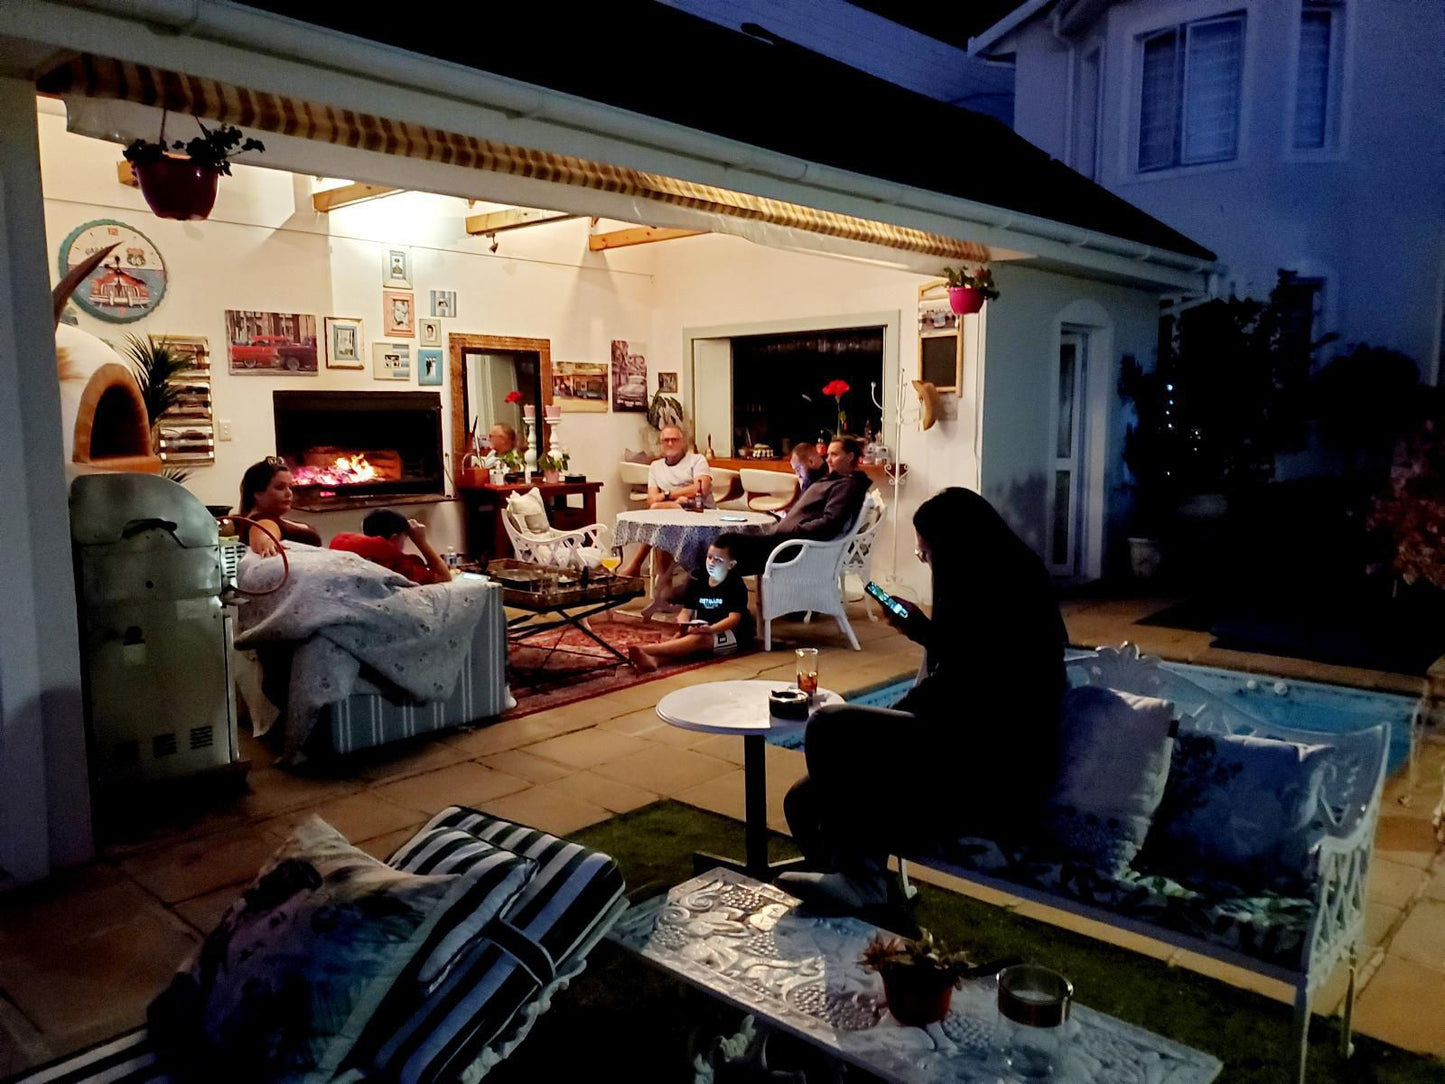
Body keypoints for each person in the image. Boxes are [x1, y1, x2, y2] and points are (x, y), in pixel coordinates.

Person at [776, 487, 1068, 914]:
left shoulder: (1010, 590)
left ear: (955, 548)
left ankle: (863, 879)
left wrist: (923, 637)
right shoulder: (984, 584)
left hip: (992, 766)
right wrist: (923, 636)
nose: (928, 564)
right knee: (803, 801)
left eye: (927, 555)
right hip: (958, 741)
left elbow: (980, 691)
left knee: (829, 727)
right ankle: (865, 907)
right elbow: (958, 670)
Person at [720, 436, 873, 574]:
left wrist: (794, 529)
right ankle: (719, 595)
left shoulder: (847, 485)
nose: (828, 460)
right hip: (783, 541)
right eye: (828, 455)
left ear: (850, 457)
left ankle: (720, 597)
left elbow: (830, 523)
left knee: (726, 547)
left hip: (792, 548)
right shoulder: (834, 480)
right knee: (722, 555)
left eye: (834, 454)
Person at [627, 538, 753, 672]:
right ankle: (654, 660)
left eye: (718, 560)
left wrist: (711, 629)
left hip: (732, 633)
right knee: (681, 639)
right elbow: (686, 611)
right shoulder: (698, 579)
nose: (711, 563)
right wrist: (684, 624)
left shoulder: (735, 584)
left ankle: (646, 650)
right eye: (709, 557)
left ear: (731, 564)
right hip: (703, 628)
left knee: (698, 640)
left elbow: (734, 619)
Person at [615, 424, 713, 579]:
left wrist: (668, 497)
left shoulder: (697, 460)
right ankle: (661, 586)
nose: (670, 444)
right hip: (672, 514)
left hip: (699, 513)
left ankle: (637, 565)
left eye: (674, 440)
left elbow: (700, 489)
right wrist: (675, 500)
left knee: (658, 514)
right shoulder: (656, 467)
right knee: (661, 521)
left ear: (682, 442)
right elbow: (651, 499)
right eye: (666, 440)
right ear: (661, 443)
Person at [329, 509, 452, 585]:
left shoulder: (343, 550)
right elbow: (444, 577)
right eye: (405, 537)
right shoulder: (399, 566)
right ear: (394, 538)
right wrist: (421, 542)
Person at [237, 457, 321, 556]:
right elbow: (263, 531)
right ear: (257, 493)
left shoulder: (270, 518)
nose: (289, 493)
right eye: (280, 487)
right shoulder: (261, 520)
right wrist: (267, 542)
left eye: (290, 487)